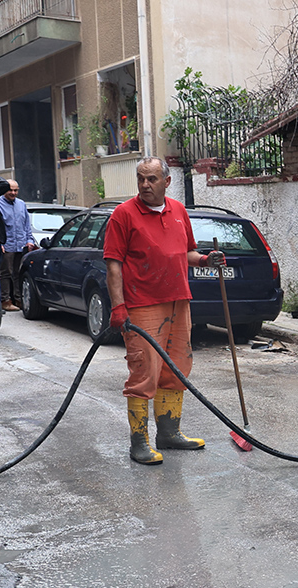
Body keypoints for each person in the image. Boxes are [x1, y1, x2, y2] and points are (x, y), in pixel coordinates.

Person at [104, 156, 224, 466]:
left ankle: (169, 433)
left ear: (167, 182)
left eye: (152, 179)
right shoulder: (123, 215)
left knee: (177, 369)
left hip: (178, 301)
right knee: (144, 373)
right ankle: (139, 442)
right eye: (141, 178)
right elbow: (113, 266)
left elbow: (187, 253)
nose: (145, 184)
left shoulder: (179, 211)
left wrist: (207, 261)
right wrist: (118, 307)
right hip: (142, 306)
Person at [0, 179, 35, 311]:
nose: (13, 193)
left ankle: (19, 299)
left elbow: (26, 224)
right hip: (7, 244)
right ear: (4, 190)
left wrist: (30, 240)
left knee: (18, 273)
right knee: (6, 272)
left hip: (21, 244)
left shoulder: (21, 204)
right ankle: (5, 300)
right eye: (10, 190)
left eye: (15, 190)